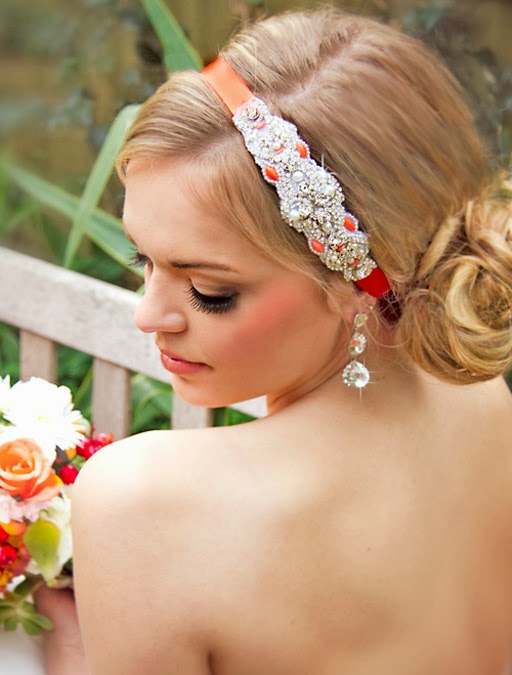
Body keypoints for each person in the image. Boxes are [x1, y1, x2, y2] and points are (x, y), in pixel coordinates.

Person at [41, 7, 512, 674]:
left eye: (210, 291)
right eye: (141, 260)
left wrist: (68, 654)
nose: (147, 316)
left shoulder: (140, 502)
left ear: (357, 277)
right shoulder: (483, 400)